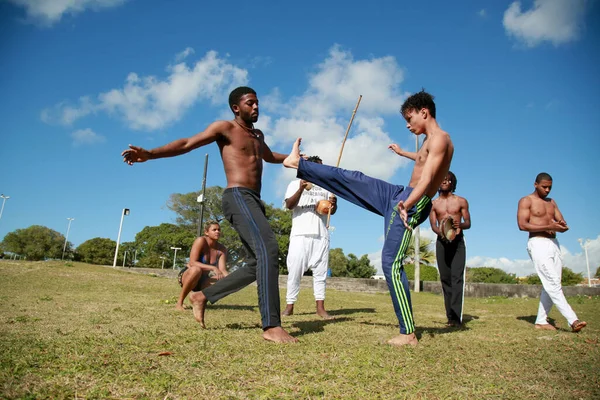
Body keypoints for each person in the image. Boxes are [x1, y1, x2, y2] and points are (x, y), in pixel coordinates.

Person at [121, 86, 297, 343]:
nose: (256, 107)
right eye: (250, 103)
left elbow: (269, 156)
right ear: (237, 107)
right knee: (269, 249)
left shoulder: (257, 135)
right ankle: (271, 326)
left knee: (257, 263)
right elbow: (187, 144)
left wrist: (296, 159)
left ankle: (201, 296)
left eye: (257, 103)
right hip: (237, 196)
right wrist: (151, 154)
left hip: (255, 201)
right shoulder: (225, 128)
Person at [283, 90, 454, 346]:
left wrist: (406, 204)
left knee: (390, 263)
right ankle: (300, 164)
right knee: (355, 178)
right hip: (398, 194)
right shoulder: (429, 141)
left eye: (410, 118)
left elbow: (429, 178)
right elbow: (421, 161)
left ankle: (408, 333)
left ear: (424, 112)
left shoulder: (440, 139)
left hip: (411, 202)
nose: (408, 124)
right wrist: (402, 154)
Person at [517, 172, 587, 333]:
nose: (547, 190)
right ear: (535, 184)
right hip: (537, 243)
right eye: (544, 187)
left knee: (552, 283)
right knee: (552, 281)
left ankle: (541, 321)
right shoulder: (526, 200)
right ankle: (573, 320)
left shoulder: (551, 202)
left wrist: (561, 225)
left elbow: (561, 223)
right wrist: (549, 226)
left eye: (550, 187)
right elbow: (522, 225)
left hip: (554, 244)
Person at [283, 155, 337, 319]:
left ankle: (320, 308)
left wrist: (333, 205)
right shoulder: (294, 184)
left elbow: (332, 212)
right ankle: (289, 306)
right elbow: (289, 205)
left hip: (321, 235)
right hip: (300, 235)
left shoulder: (327, 187)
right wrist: (300, 188)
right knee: (294, 272)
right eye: (317, 167)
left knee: (320, 274)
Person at [429, 171, 471, 327]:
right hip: (441, 242)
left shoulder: (461, 201)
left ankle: (456, 317)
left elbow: (468, 222)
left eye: (448, 179)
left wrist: (460, 226)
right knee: (445, 278)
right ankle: (450, 317)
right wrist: (440, 232)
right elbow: (433, 225)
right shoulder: (433, 204)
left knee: (457, 278)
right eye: (442, 179)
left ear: (453, 183)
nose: (445, 181)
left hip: (458, 242)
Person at [176, 221, 228, 312]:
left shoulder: (222, 249)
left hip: (203, 281)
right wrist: (213, 268)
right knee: (196, 270)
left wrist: (233, 281)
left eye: (219, 230)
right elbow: (192, 262)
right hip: (189, 276)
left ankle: (200, 300)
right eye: (214, 230)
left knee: (224, 278)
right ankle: (179, 303)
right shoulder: (201, 241)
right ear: (206, 232)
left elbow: (223, 270)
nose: (217, 232)